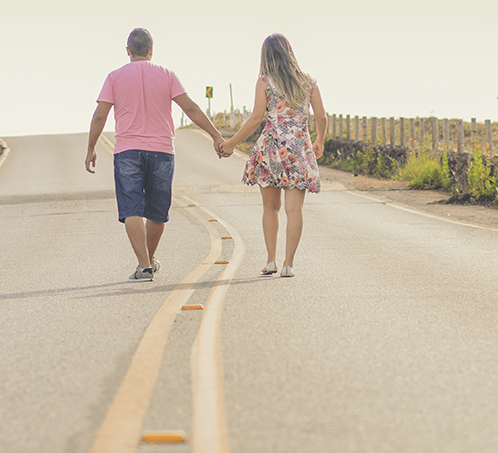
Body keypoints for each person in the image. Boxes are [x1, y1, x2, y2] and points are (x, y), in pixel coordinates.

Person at [86, 28, 225, 282]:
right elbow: (191, 108)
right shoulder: (167, 75)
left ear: (128, 51)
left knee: (131, 210)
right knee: (157, 212)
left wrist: (91, 147)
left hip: (127, 151)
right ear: (151, 51)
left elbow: (100, 115)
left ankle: (145, 265)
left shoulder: (114, 77)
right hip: (162, 151)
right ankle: (146, 263)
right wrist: (216, 135)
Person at [220, 34, 326, 278]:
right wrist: (319, 140)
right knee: (294, 210)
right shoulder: (309, 81)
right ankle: (289, 263)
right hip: (299, 149)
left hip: (272, 148)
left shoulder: (265, 82)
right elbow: (322, 117)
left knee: (270, 207)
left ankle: (271, 260)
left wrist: (231, 143)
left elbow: (257, 119)